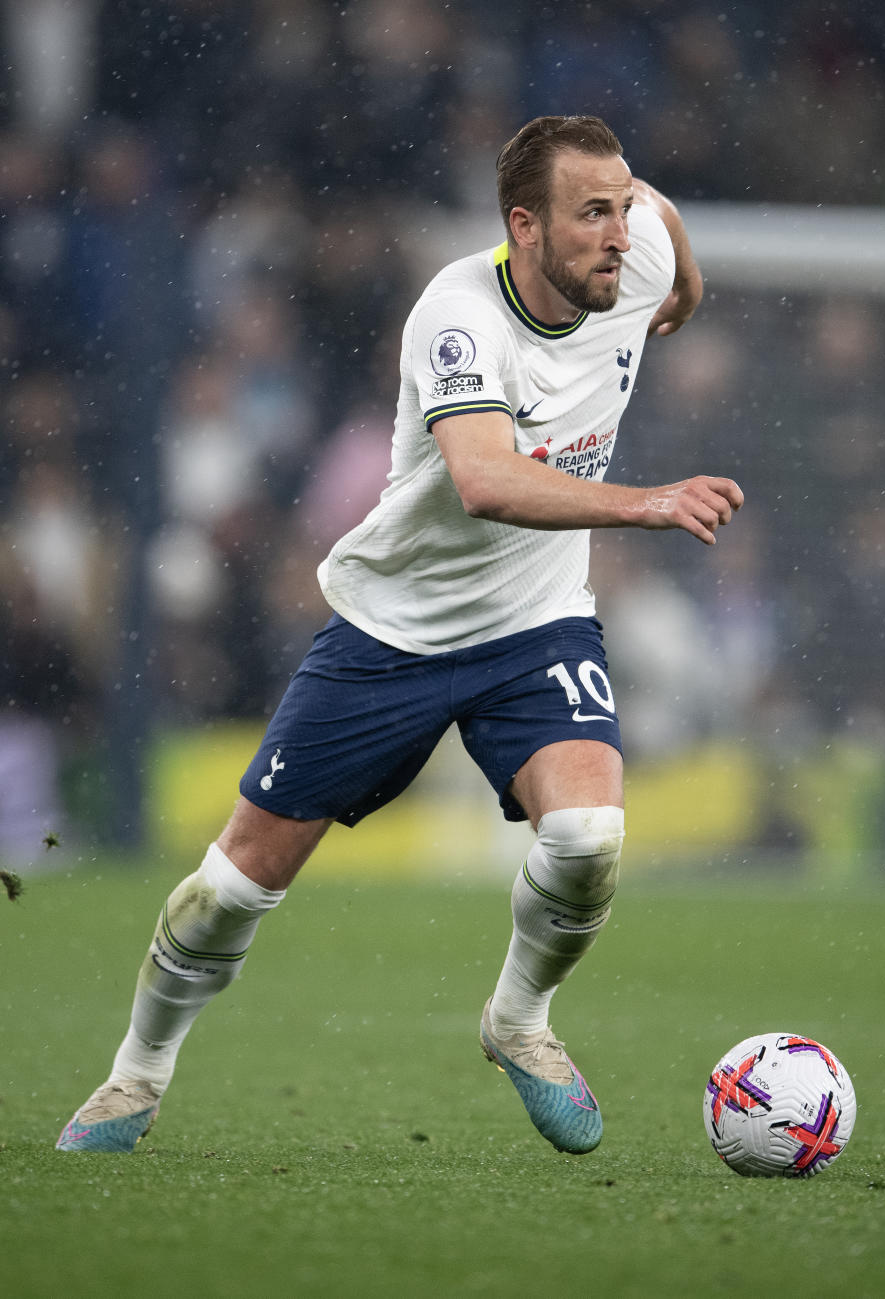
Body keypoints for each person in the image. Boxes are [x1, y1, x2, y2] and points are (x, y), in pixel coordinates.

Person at [56, 115, 743, 1157]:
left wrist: (676, 279)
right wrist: (647, 504)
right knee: (228, 891)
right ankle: (133, 1077)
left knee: (589, 842)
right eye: (591, 213)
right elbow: (482, 481)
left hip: (537, 621)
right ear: (524, 226)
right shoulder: (457, 314)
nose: (618, 232)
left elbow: (670, 253)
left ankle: (519, 1021)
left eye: (623, 207)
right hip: (394, 631)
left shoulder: (639, 245)